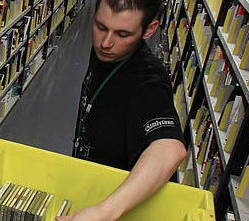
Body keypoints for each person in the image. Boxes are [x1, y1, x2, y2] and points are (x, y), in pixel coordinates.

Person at [58, 0, 186, 220]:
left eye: (123, 34)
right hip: (91, 188)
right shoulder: (108, 51)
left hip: (120, 204)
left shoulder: (148, 80)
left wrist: (105, 211)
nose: (106, 43)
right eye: (100, 27)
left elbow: (169, 149)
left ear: (150, 30)